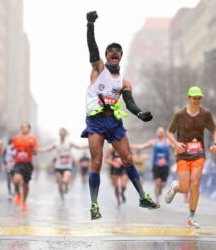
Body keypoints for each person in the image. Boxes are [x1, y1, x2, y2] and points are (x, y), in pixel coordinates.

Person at [81, 11, 159, 220]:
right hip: (96, 122)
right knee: (96, 161)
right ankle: (94, 205)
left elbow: (130, 103)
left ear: (121, 56)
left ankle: (143, 196)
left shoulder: (124, 82)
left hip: (113, 122)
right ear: (106, 56)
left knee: (128, 158)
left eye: (118, 51)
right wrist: (90, 24)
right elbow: (92, 47)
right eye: (111, 51)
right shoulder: (98, 69)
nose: (114, 53)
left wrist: (140, 113)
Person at [165, 86, 216, 228]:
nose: (197, 101)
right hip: (183, 155)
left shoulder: (205, 114)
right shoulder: (180, 115)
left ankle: (191, 217)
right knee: (184, 187)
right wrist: (176, 144)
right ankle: (175, 187)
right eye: (194, 98)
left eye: (199, 98)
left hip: (199, 153)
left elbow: (214, 130)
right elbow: (169, 133)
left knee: (195, 183)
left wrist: (215, 143)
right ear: (189, 98)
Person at [39, 128, 87, 200]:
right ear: (59, 134)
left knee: (65, 181)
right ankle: (62, 198)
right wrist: (37, 150)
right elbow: (46, 149)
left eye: (63, 132)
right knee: (59, 184)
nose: (62, 134)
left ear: (66, 134)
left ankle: (66, 185)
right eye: (60, 132)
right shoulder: (56, 143)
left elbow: (79, 147)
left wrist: (88, 145)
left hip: (67, 166)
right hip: (58, 166)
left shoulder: (69, 143)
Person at [134, 127, 173, 204]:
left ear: (164, 133)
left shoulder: (167, 142)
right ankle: (157, 199)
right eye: (159, 132)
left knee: (163, 184)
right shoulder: (153, 142)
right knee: (157, 182)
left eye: (162, 132)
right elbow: (142, 146)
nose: (160, 133)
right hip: (156, 165)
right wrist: (130, 145)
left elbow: (175, 146)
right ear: (157, 133)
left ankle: (160, 189)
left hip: (165, 165)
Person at [11, 121, 38, 211]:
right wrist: (12, 147)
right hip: (18, 163)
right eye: (22, 127)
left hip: (28, 164)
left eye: (26, 127)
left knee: (25, 184)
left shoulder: (33, 139)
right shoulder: (16, 138)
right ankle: (18, 194)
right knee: (16, 180)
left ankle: (24, 202)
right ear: (20, 128)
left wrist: (32, 146)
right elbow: (12, 147)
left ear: (29, 129)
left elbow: (35, 153)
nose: (24, 128)